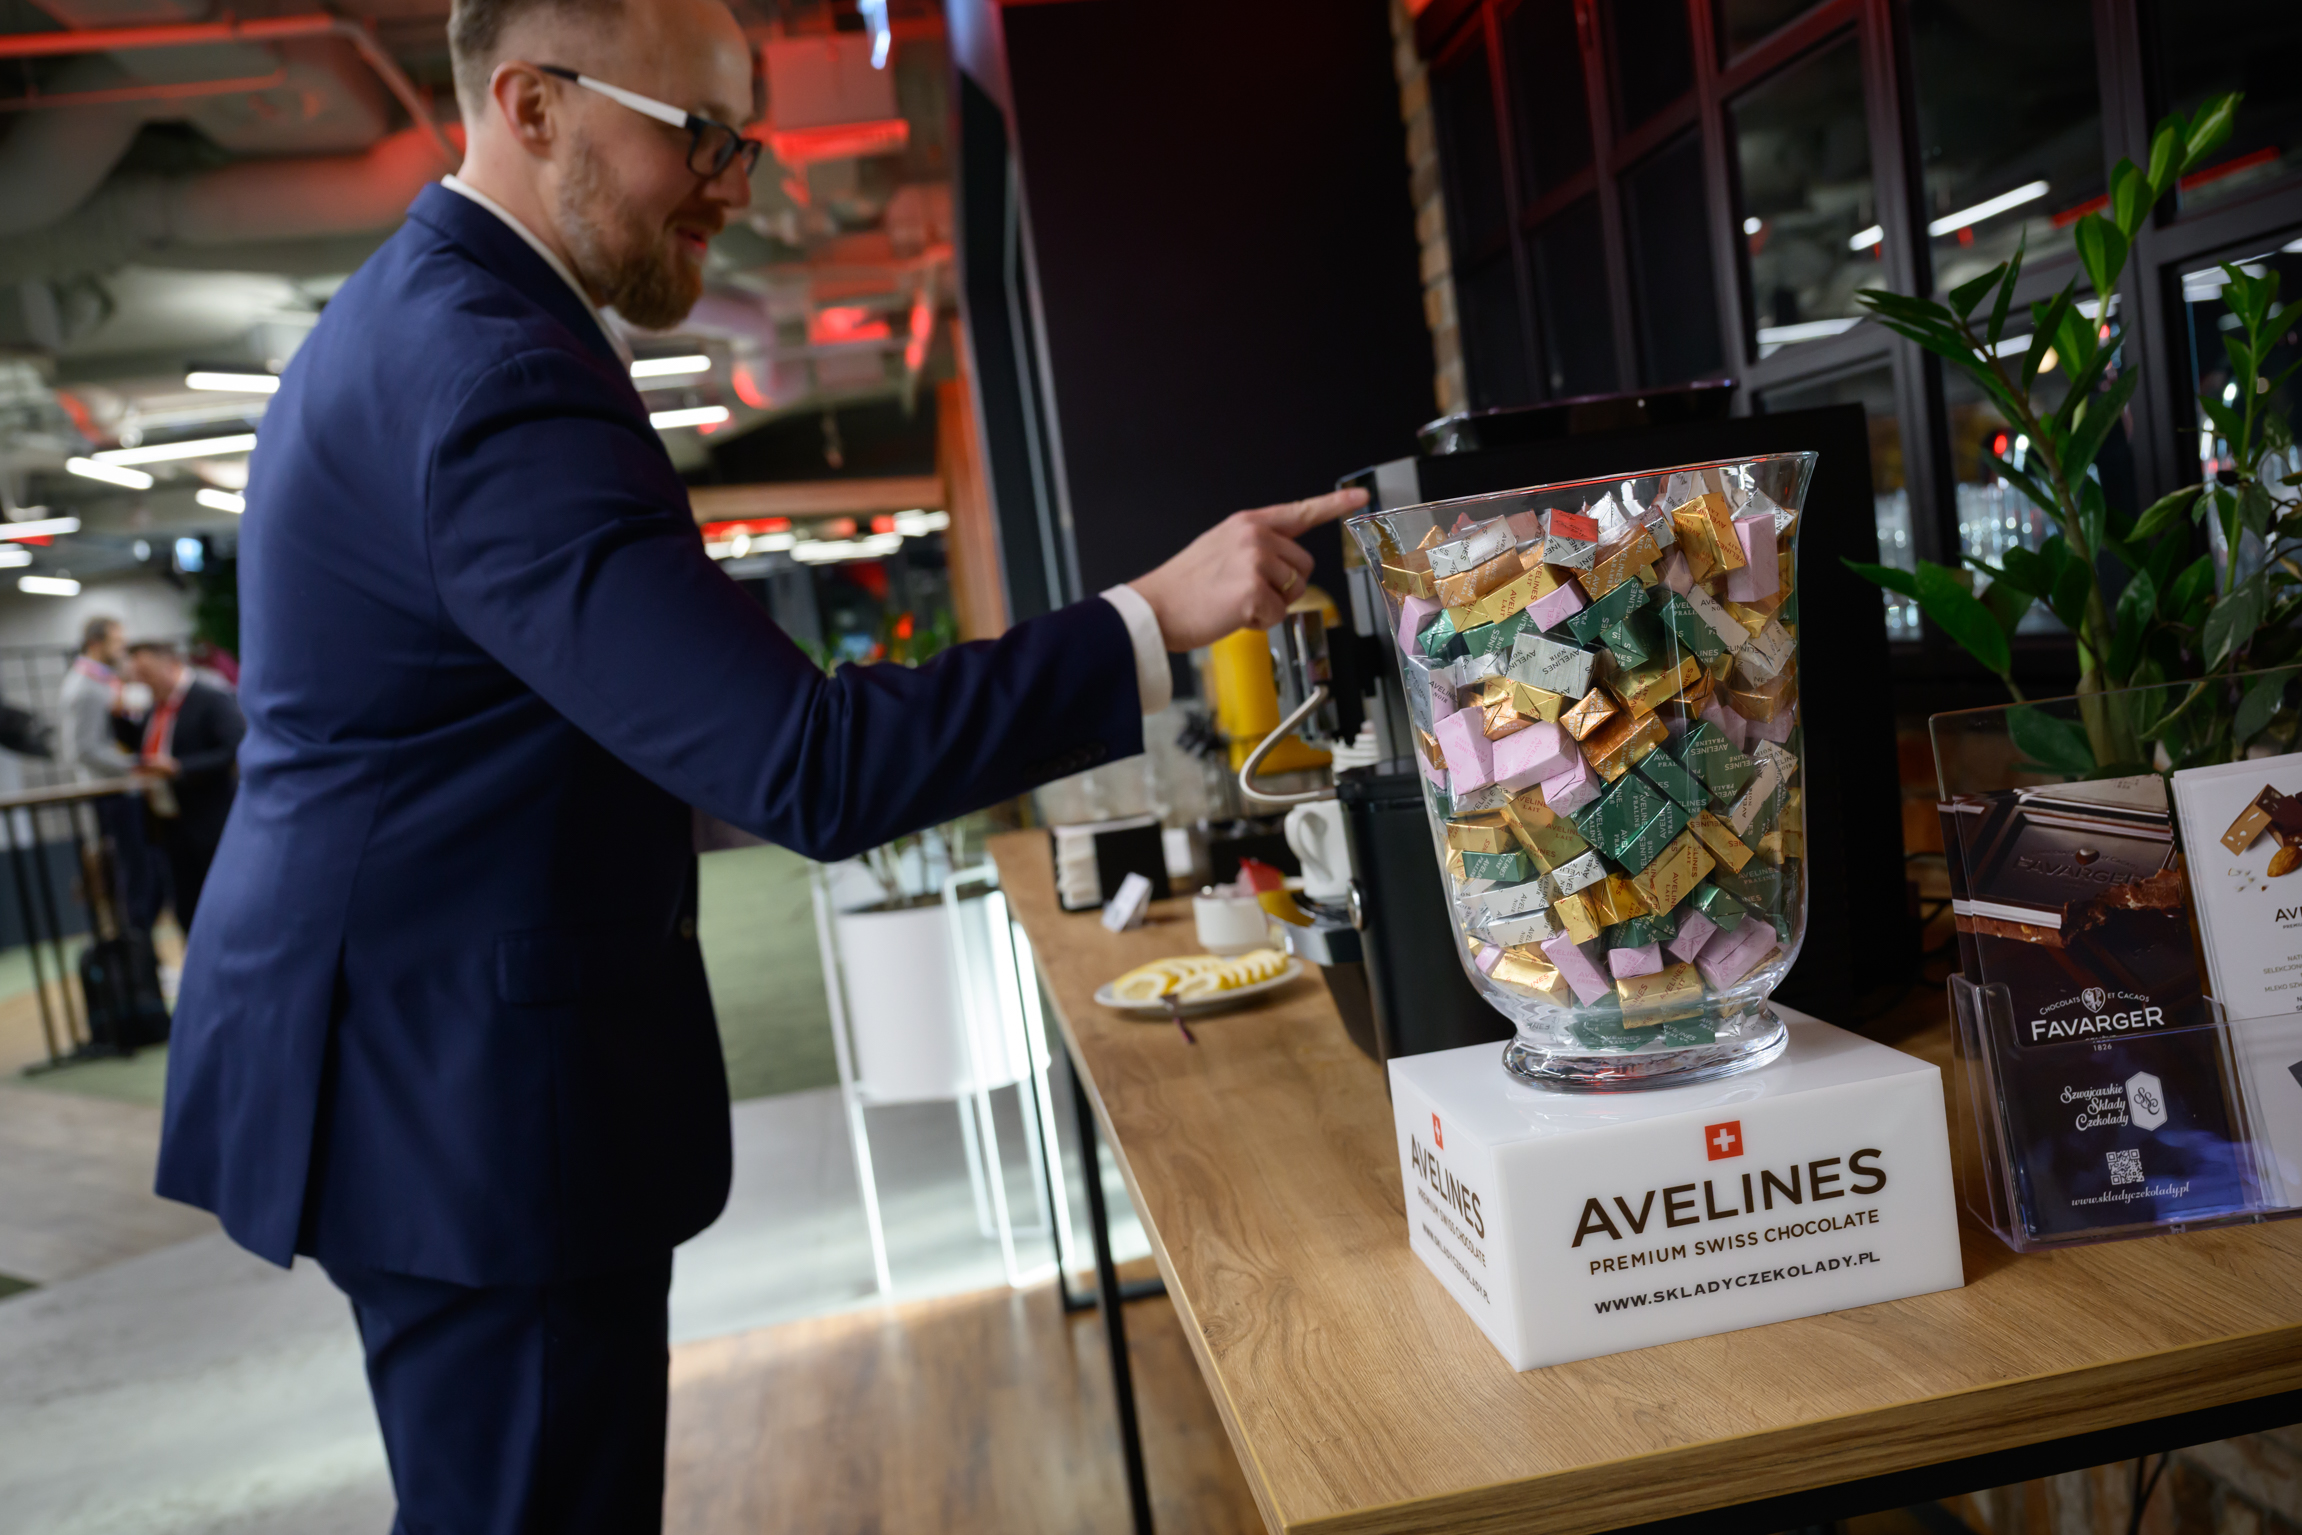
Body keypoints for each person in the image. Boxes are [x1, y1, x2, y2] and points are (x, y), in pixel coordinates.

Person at [151, 0, 1364, 1527]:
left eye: (747, 140)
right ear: (531, 105)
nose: (735, 182)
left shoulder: (421, 319)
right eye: (703, 136)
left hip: (413, 1052)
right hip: (461, 1093)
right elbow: (806, 762)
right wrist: (1152, 615)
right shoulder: (490, 373)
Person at [122, 641, 244, 935]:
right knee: (186, 908)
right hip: (170, 823)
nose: (142, 682)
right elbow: (140, 747)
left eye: (147, 673)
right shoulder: (153, 709)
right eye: (137, 675)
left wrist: (180, 768)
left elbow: (236, 748)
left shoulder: (210, 698)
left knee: (225, 904)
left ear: (172, 665)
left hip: (212, 821)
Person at [56, 616, 163, 934]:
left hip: (124, 789)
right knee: (130, 874)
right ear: (95, 644)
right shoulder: (84, 687)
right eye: (116, 643)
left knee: (144, 871)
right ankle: (137, 952)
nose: (121, 649)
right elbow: (83, 748)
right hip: (109, 793)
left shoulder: (103, 681)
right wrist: (137, 764)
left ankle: (143, 948)